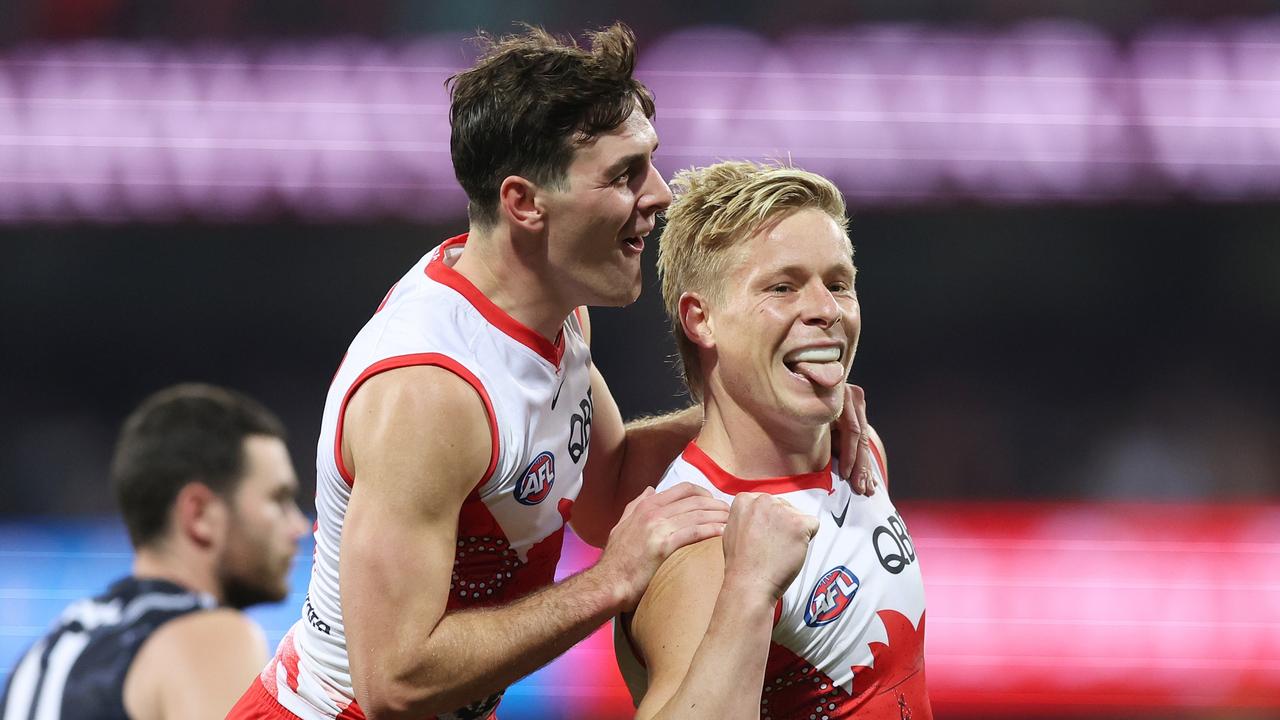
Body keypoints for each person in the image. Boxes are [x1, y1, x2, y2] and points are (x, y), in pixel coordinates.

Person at [229, 24, 875, 720]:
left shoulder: (553, 312)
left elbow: (608, 489)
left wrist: (777, 408)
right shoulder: (430, 392)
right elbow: (394, 682)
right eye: (624, 175)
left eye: (649, 164)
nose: (658, 195)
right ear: (524, 203)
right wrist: (610, 583)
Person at [616, 161, 932, 719]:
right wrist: (749, 591)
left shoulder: (858, 452)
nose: (826, 310)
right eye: (782, 287)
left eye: (838, 284)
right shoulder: (703, 549)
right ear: (702, 319)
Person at [0, 383, 309, 720]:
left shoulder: (38, 658)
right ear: (199, 514)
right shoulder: (210, 636)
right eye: (278, 500)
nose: (299, 526)